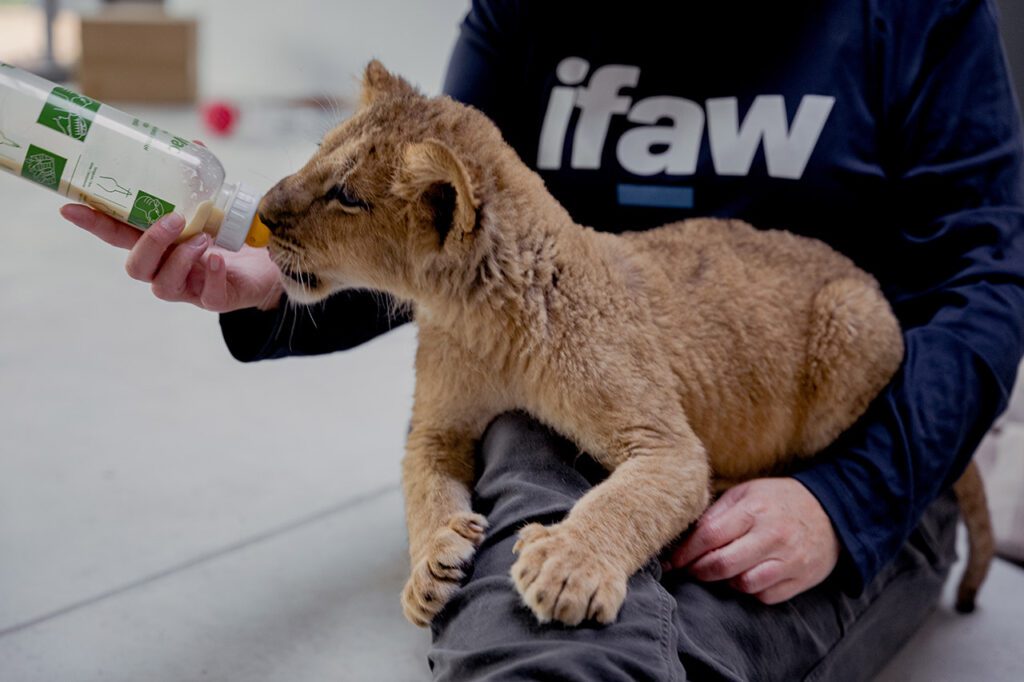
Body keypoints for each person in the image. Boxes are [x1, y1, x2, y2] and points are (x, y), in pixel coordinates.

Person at [62, 1, 1024, 679]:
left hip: (857, 434)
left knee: (718, 610)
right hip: (577, 381)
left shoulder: (919, 14)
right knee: (524, 483)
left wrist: (848, 501)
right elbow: (443, 242)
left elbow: (986, 287)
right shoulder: (528, 10)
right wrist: (272, 276)